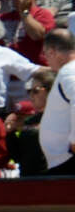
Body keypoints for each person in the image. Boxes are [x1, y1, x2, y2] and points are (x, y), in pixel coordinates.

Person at [38, 30, 75, 171]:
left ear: (52, 51)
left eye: (45, 53)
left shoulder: (69, 72)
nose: (45, 58)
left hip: (69, 162)